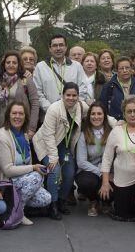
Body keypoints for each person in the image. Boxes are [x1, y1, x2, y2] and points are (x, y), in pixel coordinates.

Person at [32, 82, 88, 220]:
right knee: (54, 170)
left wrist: (114, 122)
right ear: (62, 95)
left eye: (74, 95)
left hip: (64, 145)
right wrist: (53, 157)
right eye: (68, 95)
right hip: (47, 144)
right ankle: (53, 204)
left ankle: (62, 200)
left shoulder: (81, 106)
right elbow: (48, 134)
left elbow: (98, 112)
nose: (71, 98)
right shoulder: (54, 109)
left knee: (69, 172)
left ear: (78, 96)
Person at [0, 101, 51, 225]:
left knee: (46, 198)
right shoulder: (2, 136)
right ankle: (18, 210)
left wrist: (35, 178)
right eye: (14, 113)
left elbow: (26, 162)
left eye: (21, 113)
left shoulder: (24, 135)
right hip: (8, 182)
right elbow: (7, 170)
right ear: (8, 115)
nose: (17, 116)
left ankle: (13, 203)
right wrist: (33, 168)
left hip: (23, 180)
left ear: (25, 116)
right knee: (36, 176)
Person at [33, 34, 89, 117]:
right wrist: (51, 109)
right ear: (50, 49)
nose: (58, 48)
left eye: (61, 45)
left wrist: (71, 107)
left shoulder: (77, 66)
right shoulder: (40, 67)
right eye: (55, 45)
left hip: (72, 115)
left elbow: (83, 89)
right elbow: (38, 92)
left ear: (66, 47)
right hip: (49, 115)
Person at [76, 101, 115, 217]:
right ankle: (93, 201)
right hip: (90, 171)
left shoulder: (112, 133)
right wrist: (101, 173)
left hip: (108, 170)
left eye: (99, 114)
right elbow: (81, 162)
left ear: (104, 116)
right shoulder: (84, 134)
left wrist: (107, 174)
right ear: (89, 116)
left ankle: (106, 201)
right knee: (86, 182)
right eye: (93, 114)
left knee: (115, 186)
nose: (96, 117)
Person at [0, 51, 39, 137]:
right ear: (4, 64)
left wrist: (32, 128)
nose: (11, 65)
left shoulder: (26, 80)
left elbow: (35, 103)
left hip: (21, 127)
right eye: (8, 62)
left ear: (19, 65)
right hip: (2, 126)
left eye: (14, 63)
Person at [100, 56, 135, 124]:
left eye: (127, 68)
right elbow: (103, 108)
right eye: (121, 68)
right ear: (116, 70)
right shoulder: (108, 87)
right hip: (115, 126)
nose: (125, 70)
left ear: (131, 69)